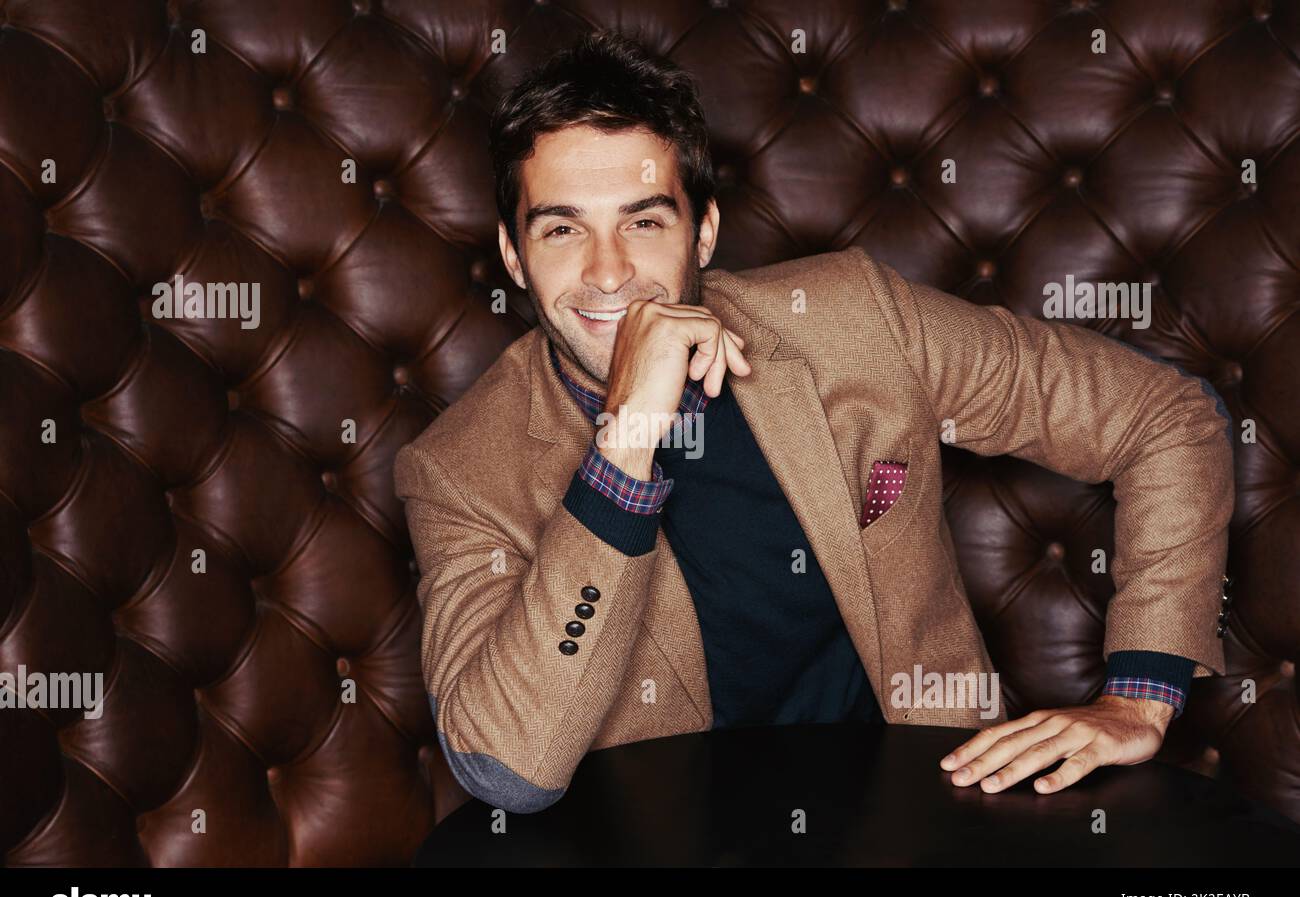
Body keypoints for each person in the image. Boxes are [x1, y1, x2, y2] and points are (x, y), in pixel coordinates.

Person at [394, 31, 1234, 813]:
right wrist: (626, 439)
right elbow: (506, 767)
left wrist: (1139, 694)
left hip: (925, 823)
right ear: (513, 255)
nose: (609, 273)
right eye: (562, 229)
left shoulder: (854, 321)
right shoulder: (459, 467)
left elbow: (1165, 418)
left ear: (705, 232)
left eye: (644, 221)